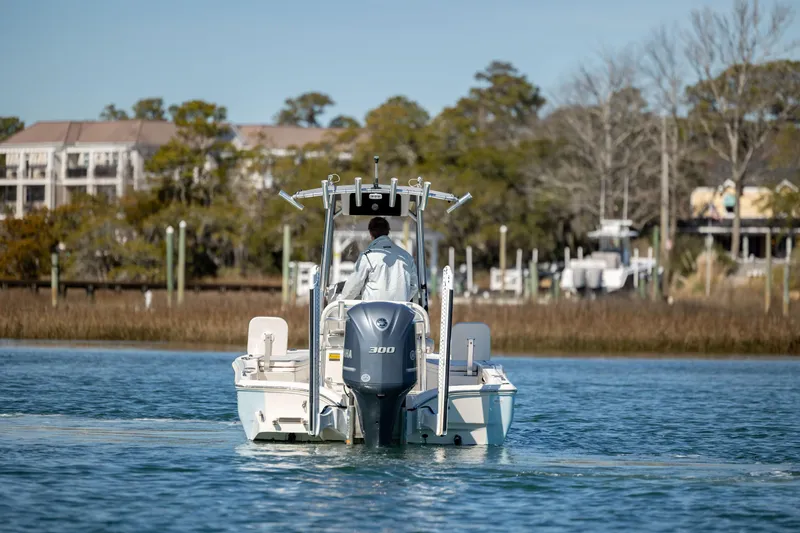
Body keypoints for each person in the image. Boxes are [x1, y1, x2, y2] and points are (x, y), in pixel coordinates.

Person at [336, 217, 419, 302]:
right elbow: (414, 286)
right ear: (388, 231)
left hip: (372, 309)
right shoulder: (406, 256)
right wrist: (402, 299)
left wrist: (340, 300)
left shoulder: (367, 256)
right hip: (401, 309)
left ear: (370, 233)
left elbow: (354, 286)